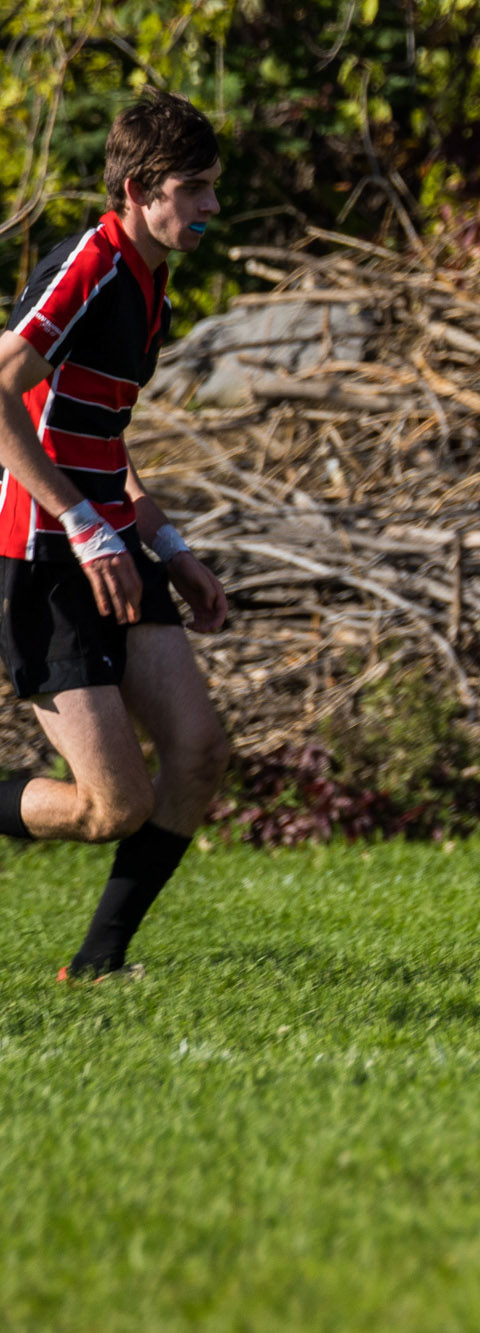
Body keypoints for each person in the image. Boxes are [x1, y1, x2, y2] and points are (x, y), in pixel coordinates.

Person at [0, 91, 231, 981]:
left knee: (202, 750)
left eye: (214, 186)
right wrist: (81, 524)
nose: (210, 206)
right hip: (40, 552)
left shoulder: (151, 274)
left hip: (106, 542)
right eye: (194, 187)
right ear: (139, 188)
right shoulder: (91, 262)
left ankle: (99, 962)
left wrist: (168, 548)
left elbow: (99, 436)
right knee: (111, 805)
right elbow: (3, 392)